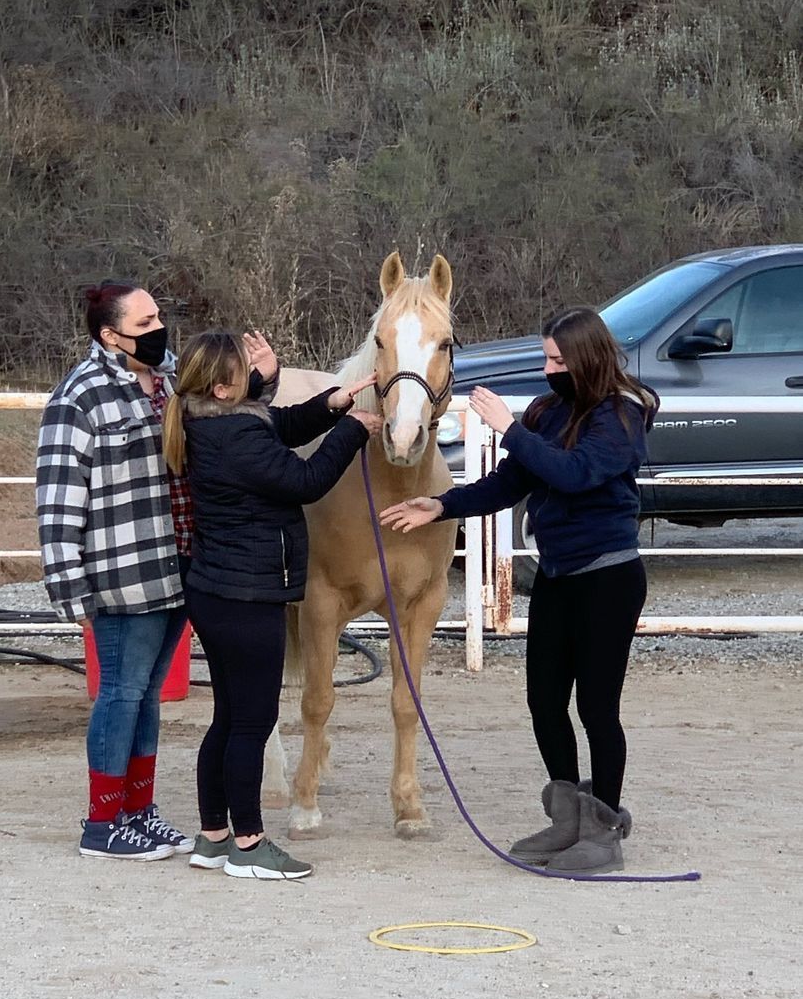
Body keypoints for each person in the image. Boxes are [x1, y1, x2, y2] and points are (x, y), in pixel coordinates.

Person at [379, 307, 659, 874]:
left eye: (557, 359)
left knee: (597, 707)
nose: (548, 367)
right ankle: (566, 820)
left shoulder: (621, 417)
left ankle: (602, 830)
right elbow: (515, 480)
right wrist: (442, 504)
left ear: (586, 357)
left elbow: (575, 472)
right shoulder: (548, 411)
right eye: (546, 357)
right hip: (558, 576)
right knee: (544, 702)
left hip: (608, 578)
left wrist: (510, 429)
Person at [163, 330, 382, 880]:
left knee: (228, 718)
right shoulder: (236, 435)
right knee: (252, 723)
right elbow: (304, 480)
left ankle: (213, 836)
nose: (254, 378)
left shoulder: (209, 421)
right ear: (221, 387)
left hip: (218, 592)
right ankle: (250, 843)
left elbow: (278, 424)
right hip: (248, 596)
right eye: (244, 372)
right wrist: (353, 431)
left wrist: (331, 404)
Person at [36, 280, 196, 861]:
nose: (158, 330)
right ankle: (102, 823)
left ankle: (139, 811)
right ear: (110, 335)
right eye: (144, 322)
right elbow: (58, 499)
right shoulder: (79, 397)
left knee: (148, 696)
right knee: (120, 694)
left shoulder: (175, 378)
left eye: (158, 318)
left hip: (177, 566)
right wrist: (68, 585)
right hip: (123, 573)